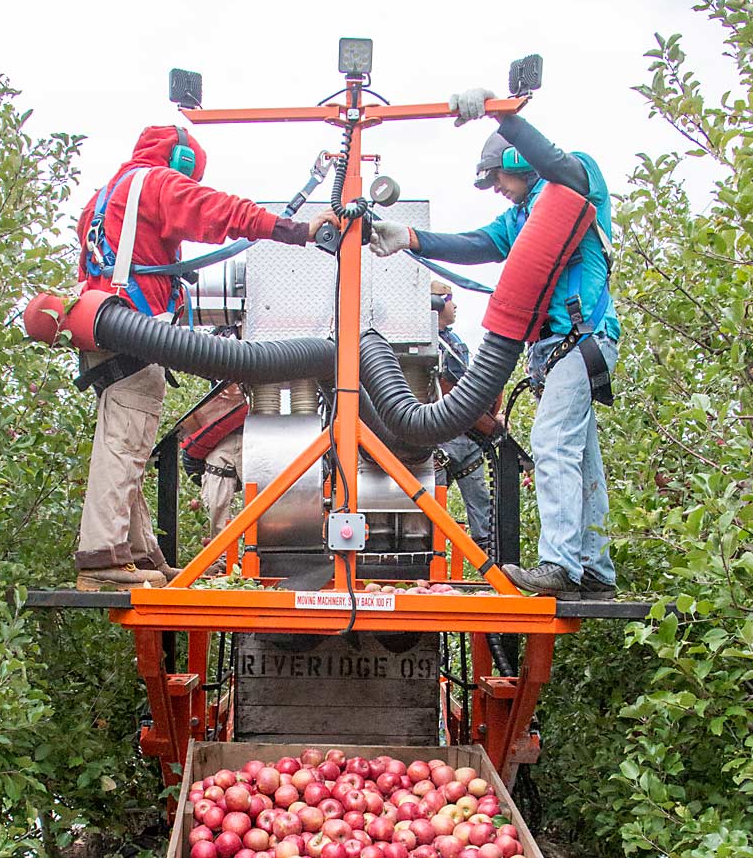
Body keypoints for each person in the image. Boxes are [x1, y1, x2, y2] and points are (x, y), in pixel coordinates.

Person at [370, 96, 619, 600]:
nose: (500, 193)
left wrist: (501, 115)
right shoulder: (523, 216)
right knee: (581, 457)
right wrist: (411, 238)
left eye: (499, 180)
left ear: (517, 161)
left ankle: (561, 568)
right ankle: (595, 570)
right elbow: (477, 243)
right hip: (554, 348)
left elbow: (554, 161)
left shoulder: (577, 177)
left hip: (582, 339)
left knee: (552, 445)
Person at [74, 125, 337, 592]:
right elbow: (217, 212)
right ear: (181, 162)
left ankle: (136, 556)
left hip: (108, 331)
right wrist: (294, 230)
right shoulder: (154, 184)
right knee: (125, 443)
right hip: (133, 330)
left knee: (130, 444)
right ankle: (101, 558)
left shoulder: (106, 195)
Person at [430, 281, 491, 553]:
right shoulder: (425, 342)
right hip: (438, 442)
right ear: (437, 303)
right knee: (433, 512)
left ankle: (493, 565)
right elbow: (446, 390)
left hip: (467, 440)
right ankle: (433, 562)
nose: (455, 306)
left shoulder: (456, 344)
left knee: (483, 510)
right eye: (450, 299)